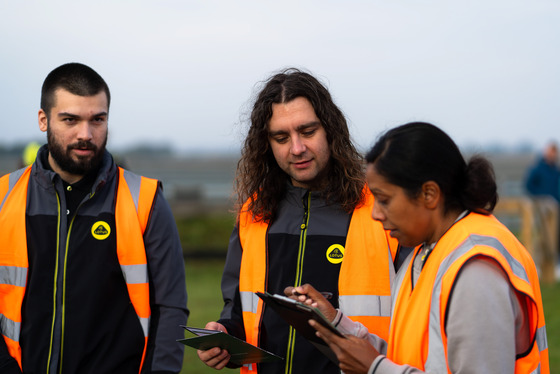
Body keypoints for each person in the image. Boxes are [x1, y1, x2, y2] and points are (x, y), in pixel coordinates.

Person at [288, 122, 549, 373]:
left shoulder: (476, 268)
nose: (375, 214)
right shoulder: (425, 251)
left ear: (429, 194)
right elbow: (410, 359)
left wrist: (374, 369)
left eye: (384, 199)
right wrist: (335, 323)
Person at [197, 68, 400, 374]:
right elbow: (238, 311)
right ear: (266, 144)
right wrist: (225, 336)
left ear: (330, 129)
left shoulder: (382, 211)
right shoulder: (253, 214)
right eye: (282, 137)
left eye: (307, 131)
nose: (297, 148)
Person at [0, 63, 188, 374]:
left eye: (97, 120)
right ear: (43, 120)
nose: (85, 135)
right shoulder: (4, 197)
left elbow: (171, 308)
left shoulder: (146, 200)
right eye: (70, 120)